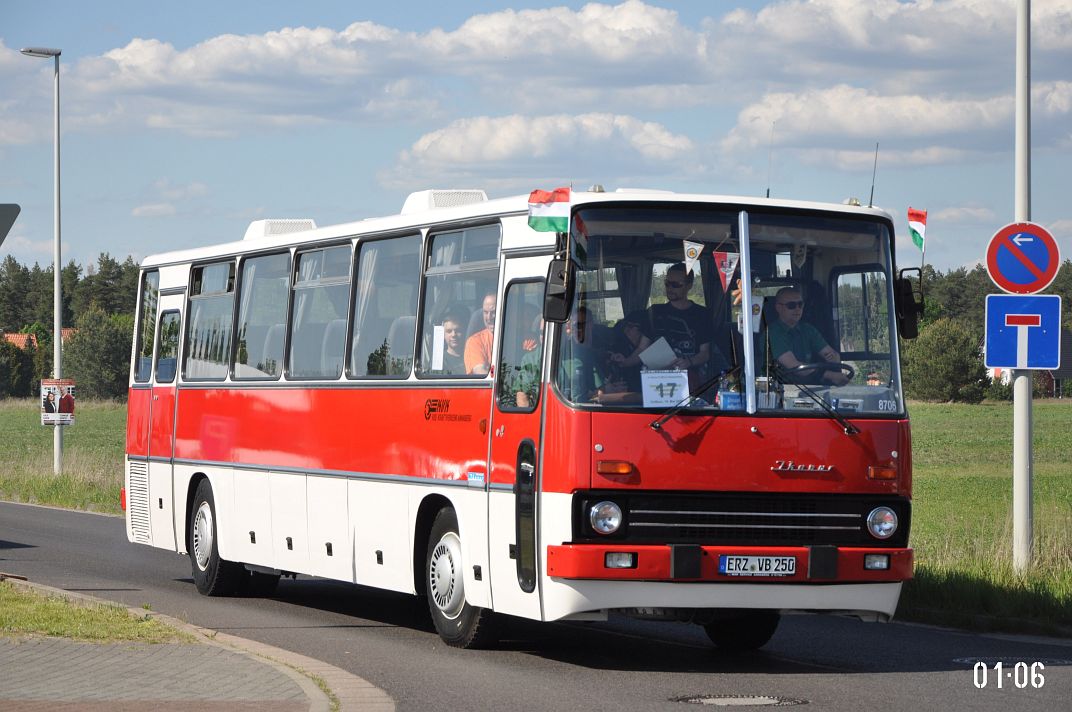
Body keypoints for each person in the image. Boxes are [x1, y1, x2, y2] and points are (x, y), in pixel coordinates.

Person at [611, 263, 726, 389]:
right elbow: (642, 348)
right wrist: (626, 362)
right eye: (667, 283)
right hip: (657, 382)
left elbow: (705, 353)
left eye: (676, 285)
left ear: (689, 286)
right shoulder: (654, 312)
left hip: (691, 384)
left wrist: (688, 362)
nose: (670, 288)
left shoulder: (702, 314)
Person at [766, 286, 849, 386]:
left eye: (800, 304)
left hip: (810, 391)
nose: (797, 309)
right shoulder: (771, 333)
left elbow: (833, 355)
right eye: (791, 305)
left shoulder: (808, 330)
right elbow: (794, 367)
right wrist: (830, 375)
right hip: (780, 392)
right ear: (778, 307)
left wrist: (834, 359)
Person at [464, 293, 496, 375]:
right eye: (485, 312)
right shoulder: (475, 341)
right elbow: (480, 372)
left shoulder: (520, 337)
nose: (489, 318)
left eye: (493, 312)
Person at [439, 308, 467, 375]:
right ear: (443, 334)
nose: (453, 334)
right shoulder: (440, 361)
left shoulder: (473, 354)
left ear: (464, 331)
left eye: (458, 330)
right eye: (449, 331)